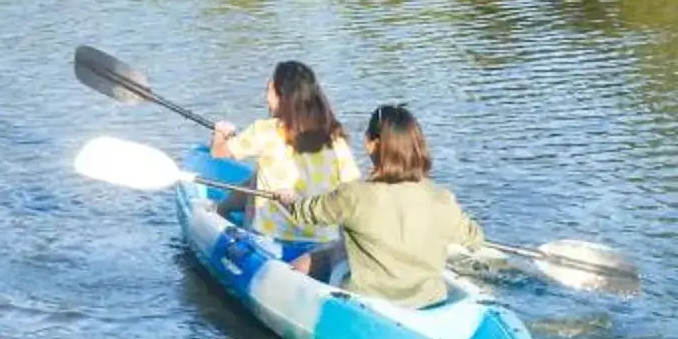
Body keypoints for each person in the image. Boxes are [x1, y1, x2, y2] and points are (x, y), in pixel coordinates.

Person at [279, 104, 488, 307]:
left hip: (369, 301)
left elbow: (305, 213)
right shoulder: (442, 198)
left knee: (334, 250)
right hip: (428, 301)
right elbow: (475, 238)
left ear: (370, 144)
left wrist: (290, 199)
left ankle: (283, 288)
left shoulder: (354, 194)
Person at [207, 60, 362, 250]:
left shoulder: (264, 130)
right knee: (259, 175)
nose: (266, 98)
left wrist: (220, 133)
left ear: (283, 97)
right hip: (323, 240)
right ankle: (223, 208)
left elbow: (218, 155)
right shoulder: (335, 136)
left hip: (272, 238)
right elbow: (352, 187)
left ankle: (221, 212)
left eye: (269, 91)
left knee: (258, 177)